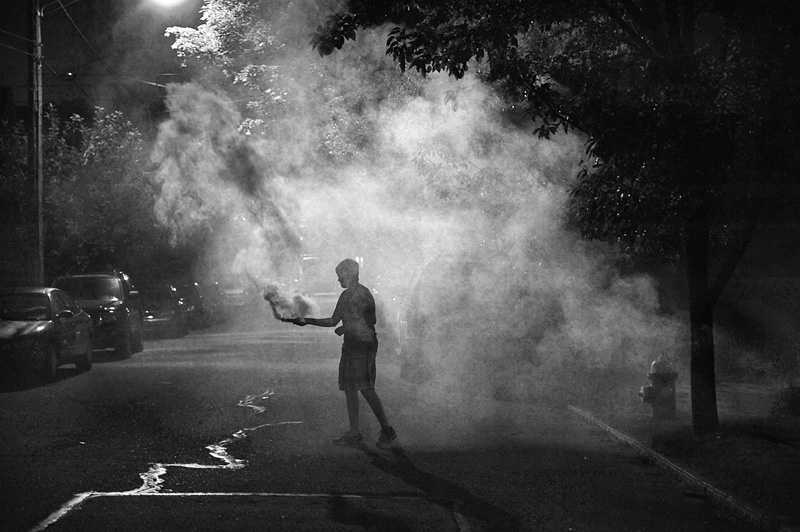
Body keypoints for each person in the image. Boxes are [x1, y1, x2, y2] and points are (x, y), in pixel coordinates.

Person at [284, 258, 396, 448]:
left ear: (349, 274)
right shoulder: (355, 294)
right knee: (351, 388)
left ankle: (387, 430)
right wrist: (308, 321)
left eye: (340, 275)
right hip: (355, 344)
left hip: (362, 345)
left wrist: (344, 327)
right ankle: (355, 432)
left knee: (365, 388)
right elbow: (339, 321)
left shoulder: (357, 294)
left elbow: (365, 320)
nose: (338, 280)